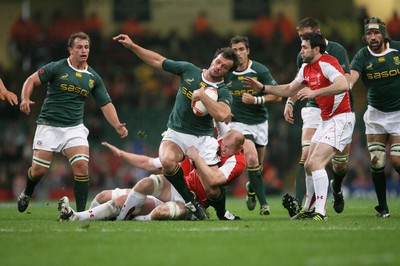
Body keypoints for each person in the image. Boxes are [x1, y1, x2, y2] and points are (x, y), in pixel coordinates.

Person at [113, 34, 238, 220]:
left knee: (212, 188)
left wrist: (202, 96)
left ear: (227, 72)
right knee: (167, 161)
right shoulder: (189, 70)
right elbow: (157, 60)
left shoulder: (223, 91)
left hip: (203, 139)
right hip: (177, 132)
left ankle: (221, 213)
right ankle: (190, 201)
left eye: (224, 67)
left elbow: (222, 114)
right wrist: (132, 46)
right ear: (213, 59)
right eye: (218, 62)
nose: (219, 67)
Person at [243, 32, 354, 221]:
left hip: (341, 119)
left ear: (316, 49)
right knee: (309, 164)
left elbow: (344, 84)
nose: (301, 50)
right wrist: (262, 88)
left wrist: (315, 92)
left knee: (316, 163)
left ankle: (321, 211)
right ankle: (309, 208)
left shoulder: (328, 62)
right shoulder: (305, 68)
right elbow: (288, 89)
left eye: (304, 47)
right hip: (327, 120)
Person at [17, 32, 128, 212]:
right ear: (70, 49)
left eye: (86, 47)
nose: (83, 51)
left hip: (74, 128)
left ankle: (81, 213)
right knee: (38, 171)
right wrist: (24, 98)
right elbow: (31, 80)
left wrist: (116, 124)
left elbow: (106, 104)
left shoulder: (93, 77)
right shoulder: (56, 67)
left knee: (82, 167)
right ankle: (27, 193)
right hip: (49, 125)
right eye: (79, 47)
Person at [58, 129, 246, 221]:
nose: (222, 149)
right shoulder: (184, 151)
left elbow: (214, 185)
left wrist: (196, 158)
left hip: (191, 203)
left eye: (227, 148)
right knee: (103, 196)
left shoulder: (227, 160)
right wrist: (123, 154)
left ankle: (123, 218)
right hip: (173, 191)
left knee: (159, 213)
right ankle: (83, 217)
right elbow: (149, 163)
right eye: (222, 145)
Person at [282, 17, 353, 217]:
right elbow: (299, 83)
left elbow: (345, 81)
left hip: (337, 106)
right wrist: (290, 101)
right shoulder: (302, 55)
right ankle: (304, 206)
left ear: (317, 34)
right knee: (307, 158)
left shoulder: (337, 51)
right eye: (300, 38)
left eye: (305, 37)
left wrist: (318, 91)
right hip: (313, 107)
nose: (302, 43)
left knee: (339, 164)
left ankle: (336, 189)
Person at [350, 17, 400, 218]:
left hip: (398, 113)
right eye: (369, 34)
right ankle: (383, 207)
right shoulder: (362, 56)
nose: (373, 37)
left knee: (397, 162)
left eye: (376, 33)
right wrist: (345, 83)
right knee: (377, 161)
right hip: (376, 114)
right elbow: (352, 76)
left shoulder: (397, 49)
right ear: (365, 37)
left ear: (384, 34)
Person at [225, 35, 281, 216]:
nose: (238, 53)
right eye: (235, 50)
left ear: (248, 50)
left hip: (260, 123)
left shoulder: (259, 70)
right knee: (251, 159)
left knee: (259, 167)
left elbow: (278, 95)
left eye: (241, 49)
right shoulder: (227, 71)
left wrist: (256, 99)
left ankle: (251, 188)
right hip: (238, 124)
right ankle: (264, 205)